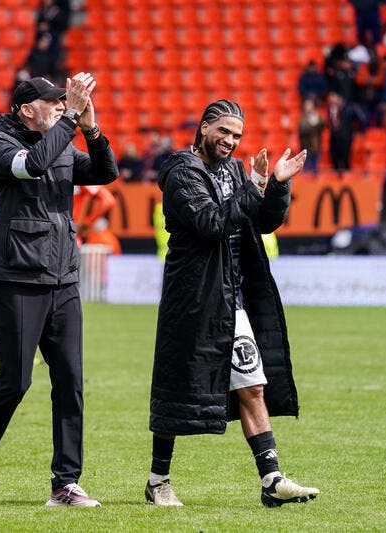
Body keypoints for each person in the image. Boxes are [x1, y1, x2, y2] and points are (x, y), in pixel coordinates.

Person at [145, 99, 319, 508]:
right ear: (204, 127)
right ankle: (158, 481)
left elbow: (263, 221)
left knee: (253, 385)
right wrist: (251, 186)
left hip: (231, 295)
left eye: (237, 135)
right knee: (179, 387)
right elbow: (210, 223)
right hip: (192, 297)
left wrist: (275, 184)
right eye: (223, 131)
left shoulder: (235, 169)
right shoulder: (181, 172)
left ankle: (271, 479)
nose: (230, 141)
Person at [0, 74, 118, 507]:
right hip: (15, 278)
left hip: (62, 277)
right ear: (26, 108)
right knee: (15, 381)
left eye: (60, 101)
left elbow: (106, 173)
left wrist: (90, 127)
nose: (58, 106)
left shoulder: (63, 139)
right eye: (51, 102)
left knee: (70, 380)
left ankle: (65, 483)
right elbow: (32, 165)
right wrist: (69, 119)